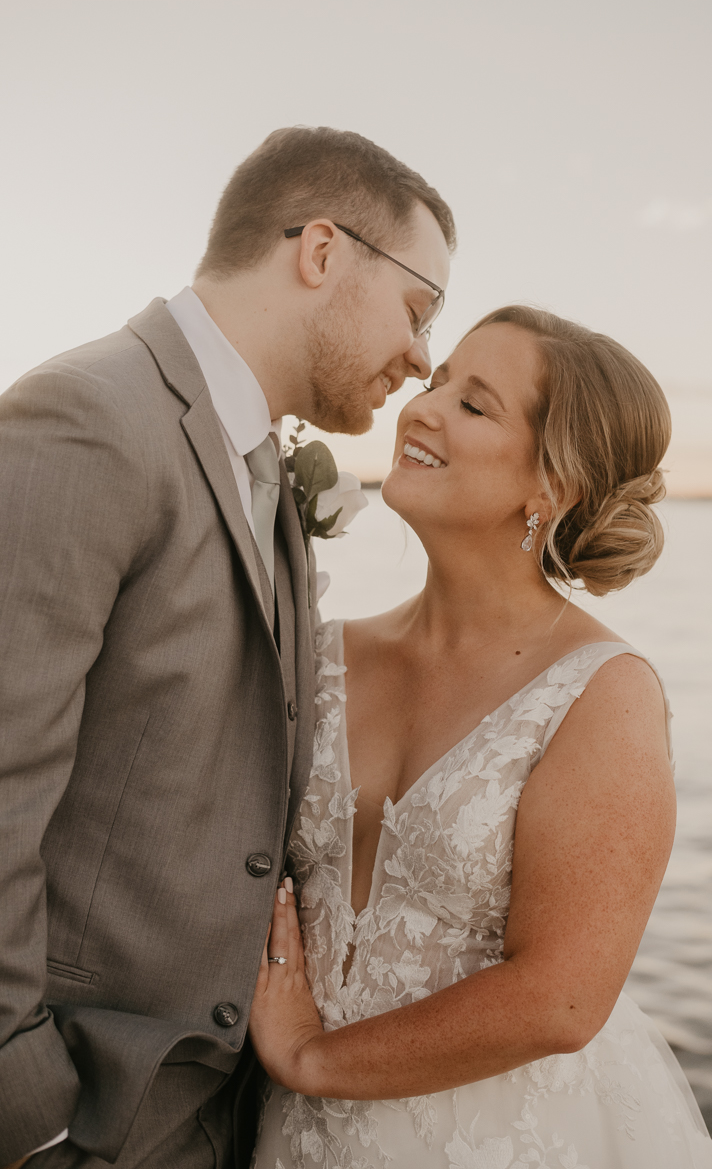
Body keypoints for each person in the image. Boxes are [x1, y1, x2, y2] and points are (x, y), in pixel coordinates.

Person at [0, 126, 453, 1169]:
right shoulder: (90, 416)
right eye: (418, 309)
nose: (422, 356)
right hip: (82, 1111)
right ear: (322, 252)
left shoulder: (259, 464)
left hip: (215, 1108)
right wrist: (31, 1115)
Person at [248, 306, 712, 1168]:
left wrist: (312, 1058)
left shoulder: (599, 693)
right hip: (292, 1136)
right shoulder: (319, 654)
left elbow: (564, 999)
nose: (421, 409)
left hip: (490, 1140)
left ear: (552, 487)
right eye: (435, 385)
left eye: (474, 405)